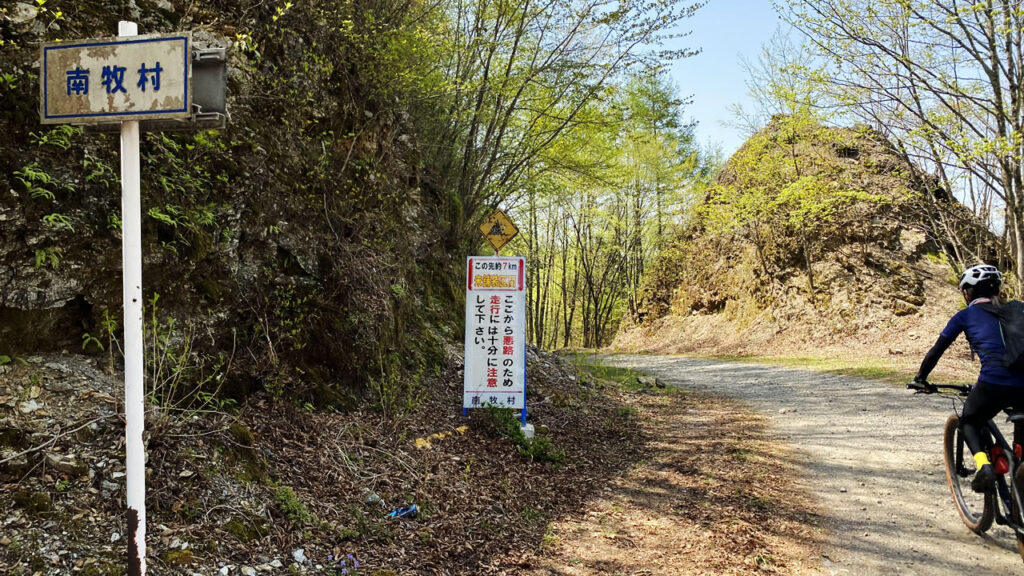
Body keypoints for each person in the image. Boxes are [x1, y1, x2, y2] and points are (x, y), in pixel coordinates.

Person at [914, 264, 1024, 492]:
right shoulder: (1018, 309)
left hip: (994, 383)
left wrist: (920, 378)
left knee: (970, 421)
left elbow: (937, 349)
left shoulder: (965, 315)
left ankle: (984, 466)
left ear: (968, 292)